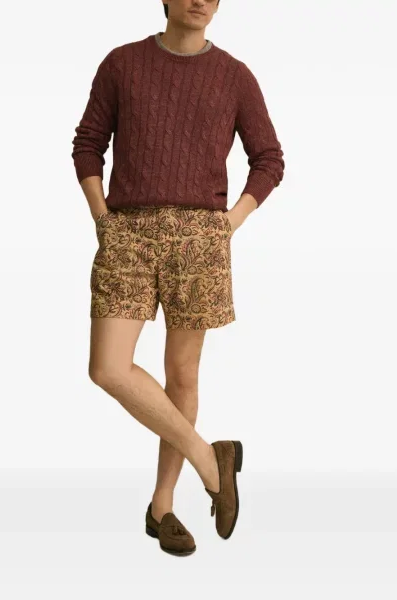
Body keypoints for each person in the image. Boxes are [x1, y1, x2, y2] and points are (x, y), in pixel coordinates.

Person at [71, 0, 284, 557]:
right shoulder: (122, 63)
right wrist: (103, 219)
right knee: (107, 367)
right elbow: (88, 144)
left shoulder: (234, 76)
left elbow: (269, 159)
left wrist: (227, 225)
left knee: (182, 374)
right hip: (128, 230)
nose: (201, 0)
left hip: (200, 237)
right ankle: (212, 460)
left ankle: (162, 506)